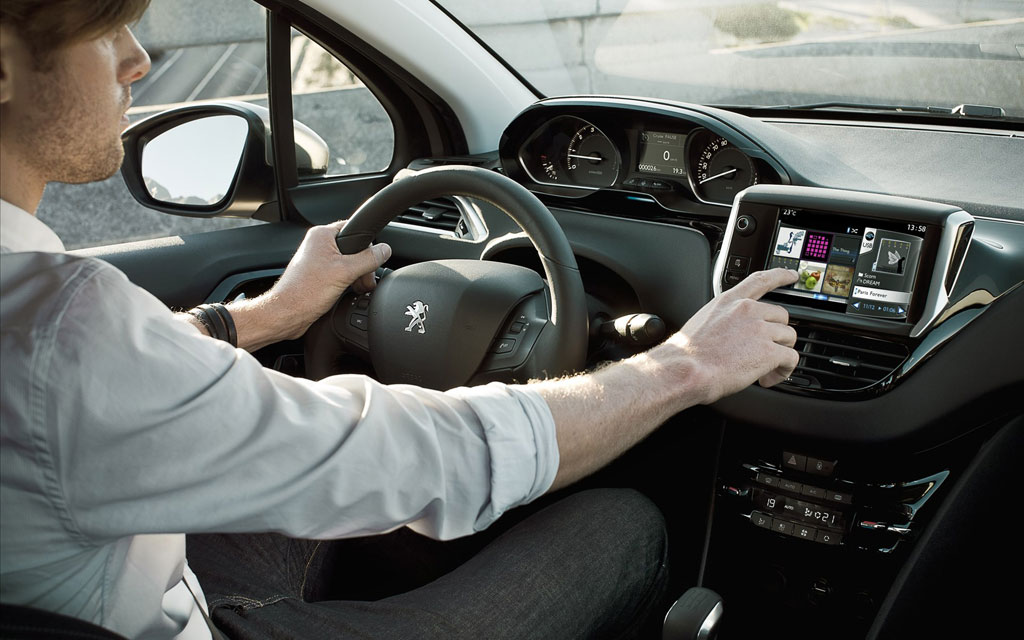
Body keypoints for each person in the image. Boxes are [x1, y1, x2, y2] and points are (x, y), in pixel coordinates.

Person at [0, 1, 799, 638]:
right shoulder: (60, 327)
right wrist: (683, 365)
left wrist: (271, 314)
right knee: (622, 525)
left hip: (124, 581)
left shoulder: (46, 326)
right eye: (107, 31)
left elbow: (112, 391)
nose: (139, 58)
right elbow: (429, 457)